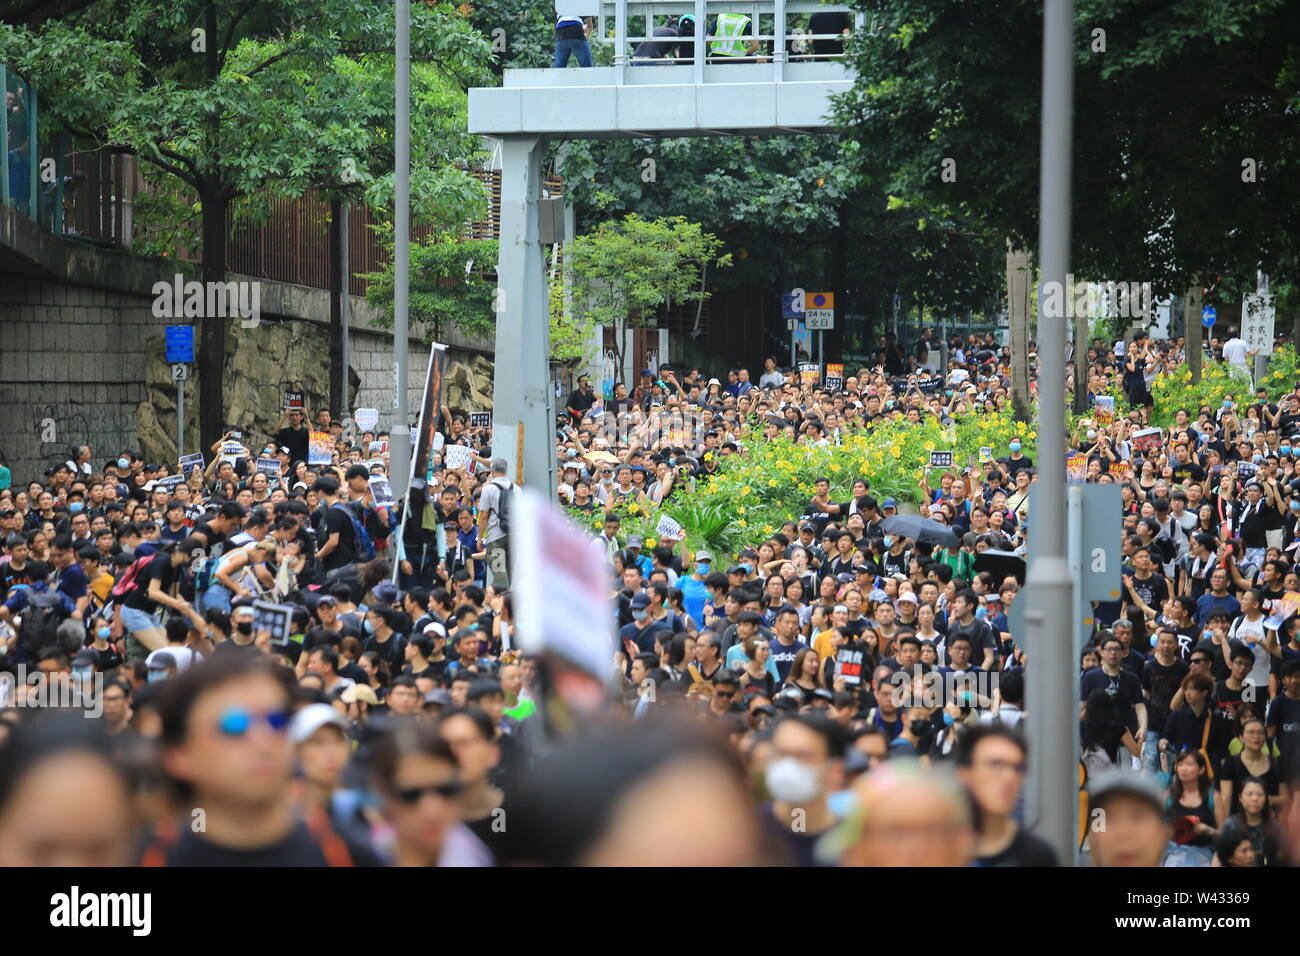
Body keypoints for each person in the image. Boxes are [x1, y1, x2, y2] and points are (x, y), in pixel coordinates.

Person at [955, 724, 1058, 866]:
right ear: (965, 773)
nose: (1009, 777)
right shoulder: (936, 850)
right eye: (995, 764)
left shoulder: (1038, 856)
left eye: (1017, 768)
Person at [477, 458, 514, 590]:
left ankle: (504, 603)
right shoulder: (516, 489)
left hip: (495, 537)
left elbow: (483, 516)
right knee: (509, 573)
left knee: (499, 574)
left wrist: (480, 538)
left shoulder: (488, 489)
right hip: (514, 537)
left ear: (492, 470)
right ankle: (508, 602)